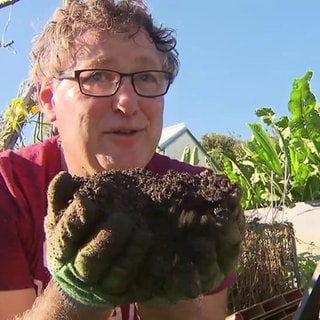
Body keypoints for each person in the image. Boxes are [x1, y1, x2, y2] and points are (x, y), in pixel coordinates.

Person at [0, 0, 237, 319]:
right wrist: (76, 296)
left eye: (147, 77)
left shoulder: (196, 201)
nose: (128, 102)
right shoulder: (10, 189)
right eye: (97, 76)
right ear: (48, 101)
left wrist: (172, 298)